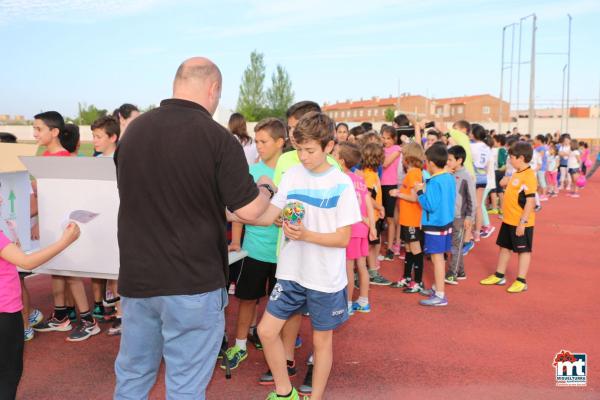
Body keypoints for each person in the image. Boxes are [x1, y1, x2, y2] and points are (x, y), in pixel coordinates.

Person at [113, 57, 273, 400]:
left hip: (138, 277)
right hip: (192, 281)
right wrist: (266, 189)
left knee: (133, 375)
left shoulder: (133, 133)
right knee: (185, 383)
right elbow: (247, 209)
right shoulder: (217, 138)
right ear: (213, 89)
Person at [229, 111, 361, 400]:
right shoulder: (291, 175)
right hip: (290, 274)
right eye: (298, 149)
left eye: (310, 150)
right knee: (265, 332)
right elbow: (267, 216)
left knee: (321, 341)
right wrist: (227, 212)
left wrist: (307, 235)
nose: (303, 156)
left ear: (329, 147)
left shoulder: (342, 183)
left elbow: (343, 238)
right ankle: (285, 392)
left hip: (325, 278)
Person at [222, 118, 286, 371]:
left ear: (280, 142)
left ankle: (275, 342)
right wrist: (236, 241)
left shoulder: (290, 173)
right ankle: (239, 345)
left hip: (283, 252)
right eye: (256, 141)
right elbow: (241, 210)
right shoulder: (252, 173)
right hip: (255, 249)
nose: (258, 146)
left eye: (264, 141)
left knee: (279, 302)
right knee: (247, 299)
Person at [31, 111, 99, 342]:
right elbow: (43, 197)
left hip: (67, 227)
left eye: (38, 129)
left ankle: (89, 321)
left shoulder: (66, 160)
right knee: (56, 270)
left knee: (71, 273)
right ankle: (61, 317)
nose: (34, 133)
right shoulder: (42, 160)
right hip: (50, 225)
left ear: (54, 132)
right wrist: (39, 220)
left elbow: (73, 198)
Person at [0, 218, 80, 400]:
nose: (1, 200)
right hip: (4, 314)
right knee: (8, 374)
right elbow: (27, 262)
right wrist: (65, 241)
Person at [480, 142, 537, 293]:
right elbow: (504, 184)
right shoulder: (516, 172)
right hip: (508, 219)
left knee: (523, 250)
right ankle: (499, 275)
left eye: (512, 157)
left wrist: (522, 223)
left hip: (521, 221)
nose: (510, 160)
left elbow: (530, 201)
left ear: (521, 158)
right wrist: (506, 179)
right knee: (504, 248)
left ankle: (521, 281)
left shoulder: (529, 176)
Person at [333, 142, 377, 315]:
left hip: (350, 228)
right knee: (361, 265)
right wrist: (371, 226)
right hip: (362, 229)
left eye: (335, 154)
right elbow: (368, 204)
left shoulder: (341, 179)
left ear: (342, 161)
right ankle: (364, 301)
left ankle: (348, 303)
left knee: (348, 268)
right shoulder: (359, 179)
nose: (332, 156)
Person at [90, 116, 122, 336]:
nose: (94, 140)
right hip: (101, 222)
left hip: (120, 222)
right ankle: (115, 311)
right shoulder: (96, 161)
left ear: (113, 137)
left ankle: (122, 315)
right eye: (93, 136)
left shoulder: (123, 159)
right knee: (109, 273)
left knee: (119, 272)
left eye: (99, 136)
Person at [415, 143, 455, 306]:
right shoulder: (448, 177)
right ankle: (438, 288)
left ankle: (439, 294)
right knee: (440, 258)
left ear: (431, 163)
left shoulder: (433, 181)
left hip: (435, 224)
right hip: (446, 222)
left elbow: (429, 205)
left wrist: (419, 193)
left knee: (436, 259)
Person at [389, 142, 425, 293]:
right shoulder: (412, 173)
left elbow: (414, 197)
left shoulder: (414, 173)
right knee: (409, 249)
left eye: (404, 155)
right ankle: (407, 277)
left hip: (412, 218)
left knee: (415, 249)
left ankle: (417, 281)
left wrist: (398, 193)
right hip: (406, 218)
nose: (402, 159)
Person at [360, 143, 391, 286]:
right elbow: (368, 197)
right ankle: (366, 272)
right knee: (368, 246)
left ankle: (371, 271)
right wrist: (380, 206)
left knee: (372, 245)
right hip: (371, 217)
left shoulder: (371, 174)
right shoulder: (369, 176)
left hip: (374, 216)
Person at [444, 145, 476, 284]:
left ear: (459, 160)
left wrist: (469, 217)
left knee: (456, 246)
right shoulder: (448, 173)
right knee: (455, 245)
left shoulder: (466, 176)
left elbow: (472, 199)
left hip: (460, 217)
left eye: (450, 159)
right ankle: (461, 270)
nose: (447, 162)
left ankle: (452, 273)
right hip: (449, 216)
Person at [380, 126, 402, 260]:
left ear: (394, 139)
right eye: (383, 137)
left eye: (388, 138)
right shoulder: (381, 149)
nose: (385, 141)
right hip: (379, 184)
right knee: (379, 216)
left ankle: (390, 249)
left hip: (390, 185)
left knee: (390, 218)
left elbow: (385, 163)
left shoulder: (397, 149)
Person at [469, 124, 491, 242]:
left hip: (473, 176)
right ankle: (477, 233)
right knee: (478, 206)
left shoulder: (471, 145)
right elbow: (487, 164)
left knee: (470, 205)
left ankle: (469, 233)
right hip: (483, 176)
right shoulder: (487, 147)